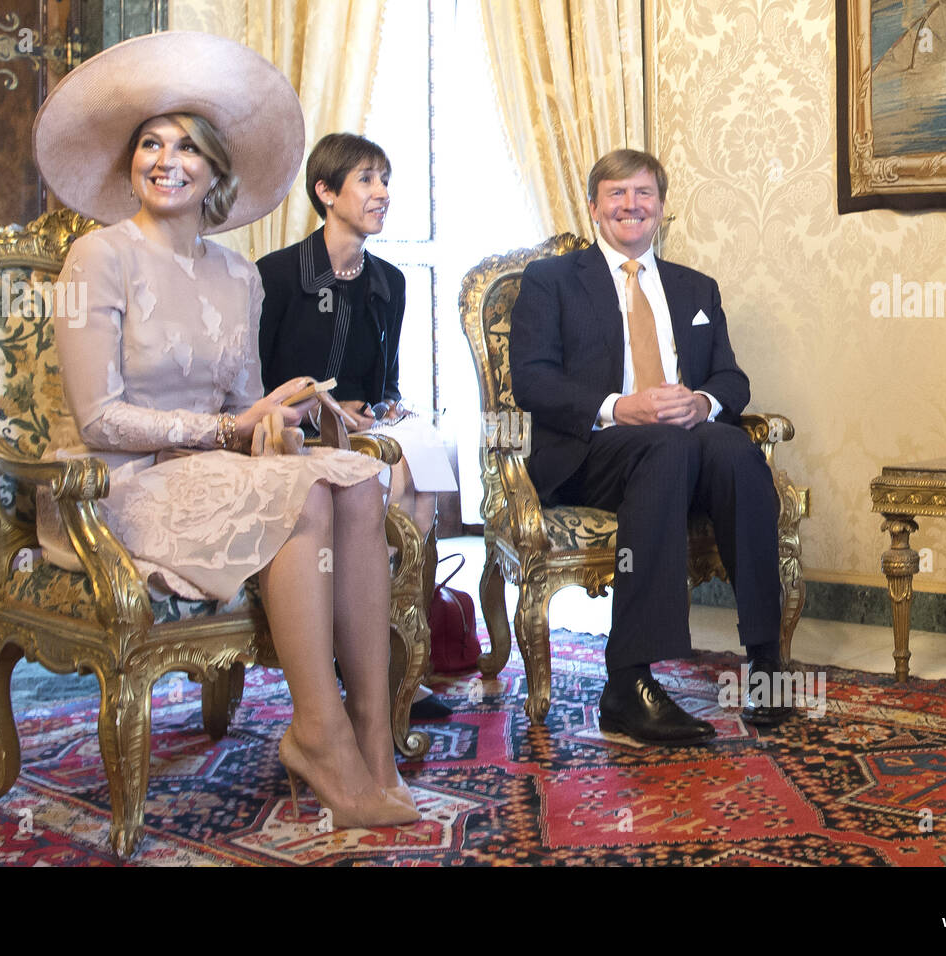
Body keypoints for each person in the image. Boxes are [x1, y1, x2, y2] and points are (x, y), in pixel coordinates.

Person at [31, 31, 418, 828]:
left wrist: (283, 408)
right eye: (149, 144)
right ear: (128, 164)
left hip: (209, 469)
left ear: (215, 173)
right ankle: (318, 733)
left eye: (186, 148)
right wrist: (224, 430)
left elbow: (245, 408)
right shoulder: (97, 260)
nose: (165, 160)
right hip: (116, 484)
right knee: (307, 495)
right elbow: (96, 416)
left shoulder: (240, 275)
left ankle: (374, 740)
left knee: (356, 479)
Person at [509, 148, 788, 747]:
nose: (631, 205)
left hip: (680, 443)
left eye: (644, 194)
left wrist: (704, 404)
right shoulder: (551, 281)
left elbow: (732, 379)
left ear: (661, 207)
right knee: (663, 446)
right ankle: (628, 682)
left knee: (736, 451)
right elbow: (532, 380)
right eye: (616, 193)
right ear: (593, 207)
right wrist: (618, 405)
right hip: (593, 452)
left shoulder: (695, 288)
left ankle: (766, 660)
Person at [257, 133, 458, 719]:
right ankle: (349, 665)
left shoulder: (388, 283)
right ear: (326, 192)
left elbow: (384, 382)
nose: (382, 193)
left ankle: (392, 659)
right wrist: (321, 407)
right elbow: (252, 385)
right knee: (379, 481)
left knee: (419, 477)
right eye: (366, 180)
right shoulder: (276, 275)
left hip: (358, 434)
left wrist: (381, 408)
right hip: (287, 435)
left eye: (385, 180)